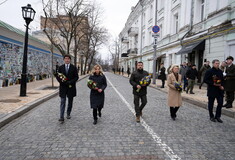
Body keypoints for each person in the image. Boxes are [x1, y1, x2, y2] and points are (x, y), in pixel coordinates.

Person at [56, 54, 79, 123]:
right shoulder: (60, 67)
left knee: (70, 102)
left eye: (68, 59)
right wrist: (62, 82)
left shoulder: (74, 67)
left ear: (70, 60)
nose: (67, 60)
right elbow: (58, 76)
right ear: (64, 59)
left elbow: (76, 77)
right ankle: (61, 116)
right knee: (62, 102)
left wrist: (70, 82)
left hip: (71, 87)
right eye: (65, 58)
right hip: (63, 87)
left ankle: (68, 113)